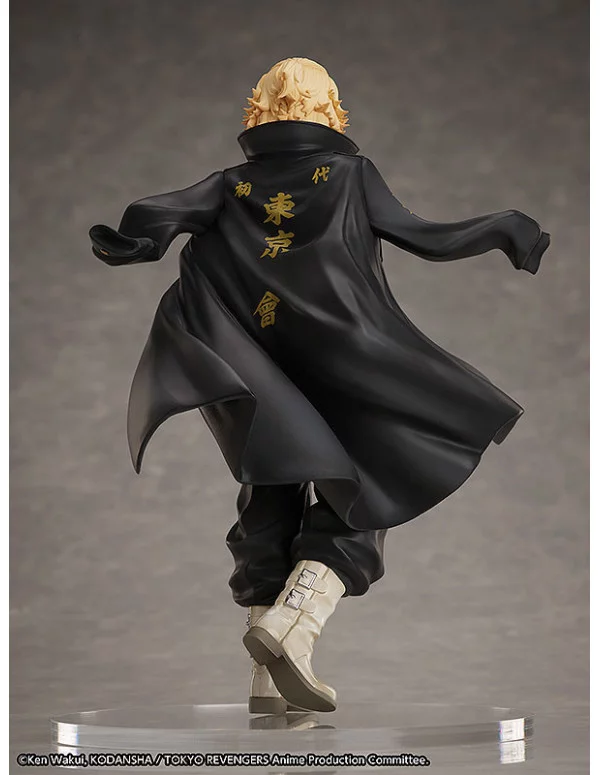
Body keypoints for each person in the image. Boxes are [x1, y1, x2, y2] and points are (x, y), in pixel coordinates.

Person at [89, 57, 550, 714]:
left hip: (250, 372)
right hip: (345, 367)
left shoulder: (230, 186)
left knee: (269, 492)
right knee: (362, 491)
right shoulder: (349, 175)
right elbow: (424, 235)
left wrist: (134, 240)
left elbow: (156, 212)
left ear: (256, 112)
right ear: (333, 112)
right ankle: (293, 626)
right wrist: (504, 227)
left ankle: (265, 675)